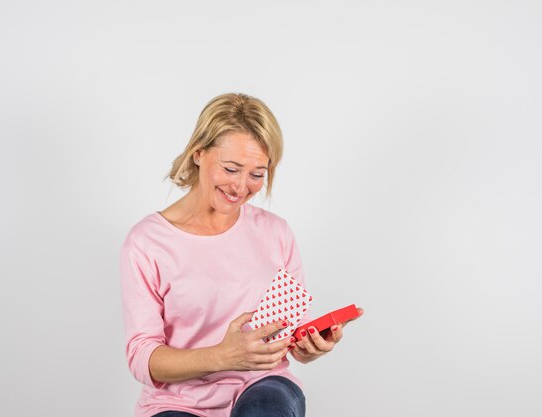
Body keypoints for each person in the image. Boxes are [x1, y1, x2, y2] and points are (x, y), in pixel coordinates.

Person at [120, 93, 363, 417]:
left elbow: (288, 333)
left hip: (264, 387)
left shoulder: (275, 233)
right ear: (198, 154)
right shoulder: (148, 241)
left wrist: (310, 347)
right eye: (231, 168)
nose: (241, 187)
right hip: (177, 403)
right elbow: (142, 357)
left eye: (257, 174)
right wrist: (223, 356)